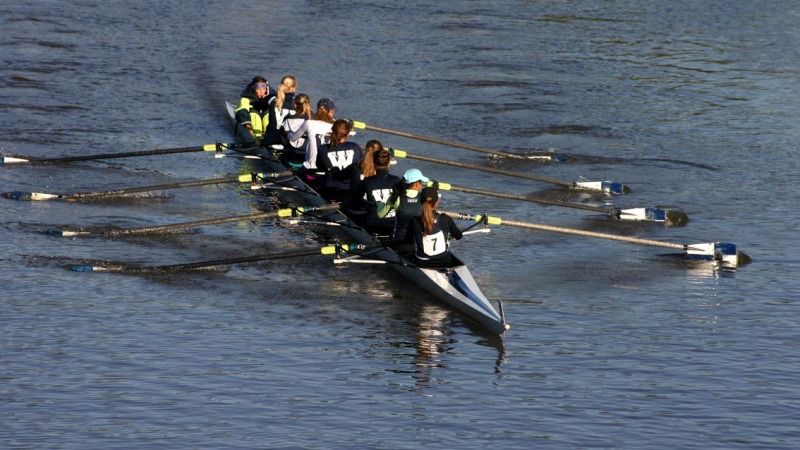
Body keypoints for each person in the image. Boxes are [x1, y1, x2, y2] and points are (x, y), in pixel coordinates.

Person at [349, 145, 400, 235]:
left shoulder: (367, 181)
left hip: (372, 224)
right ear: (388, 163)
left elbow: (356, 200)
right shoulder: (397, 180)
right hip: (393, 224)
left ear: (374, 163)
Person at [409, 186, 463, 268]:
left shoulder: (414, 221)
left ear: (420, 201)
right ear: (437, 202)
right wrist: (449, 235)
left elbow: (408, 240)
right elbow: (459, 236)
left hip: (422, 263)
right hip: (444, 262)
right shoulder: (445, 218)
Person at [378, 168, 429, 244]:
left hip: (399, 240)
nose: (422, 186)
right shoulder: (423, 198)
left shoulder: (397, 197)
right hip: (418, 242)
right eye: (421, 183)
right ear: (416, 184)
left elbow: (380, 214)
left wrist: (380, 204)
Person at [316, 119, 363, 202]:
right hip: (349, 191)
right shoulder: (355, 147)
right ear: (348, 133)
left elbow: (320, 167)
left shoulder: (323, 148)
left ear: (332, 131)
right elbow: (360, 167)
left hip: (330, 190)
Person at [287, 97, 336, 171]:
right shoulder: (336, 127)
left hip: (309, 167)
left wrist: (288, 133)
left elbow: (292, 138)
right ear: (331, 112)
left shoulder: (309, 123)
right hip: (327, 166)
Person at [234, 76, 275, 145]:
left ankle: (270, 136)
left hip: (269, 134)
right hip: (253, 129)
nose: (261, 91)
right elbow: (241, 110)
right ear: (253, 88)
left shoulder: (272, 99)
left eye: (263, 88)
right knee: (254, 112)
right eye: (258, 89)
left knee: (269, 111)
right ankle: (257, 137)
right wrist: (248, 125)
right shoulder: (246, 99)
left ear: (267, 89)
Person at [262, 75, 297, 147]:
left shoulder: (273, 100)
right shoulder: (297, 105)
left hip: (270, 140)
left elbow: (259, 105)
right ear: (293, 88)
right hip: (287, 143)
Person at [279, 93, 313, 166]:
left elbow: (282, 139)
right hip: (307, 156)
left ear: (294, 105)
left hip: (291, 156)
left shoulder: (288, 119)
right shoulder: (314, 120)